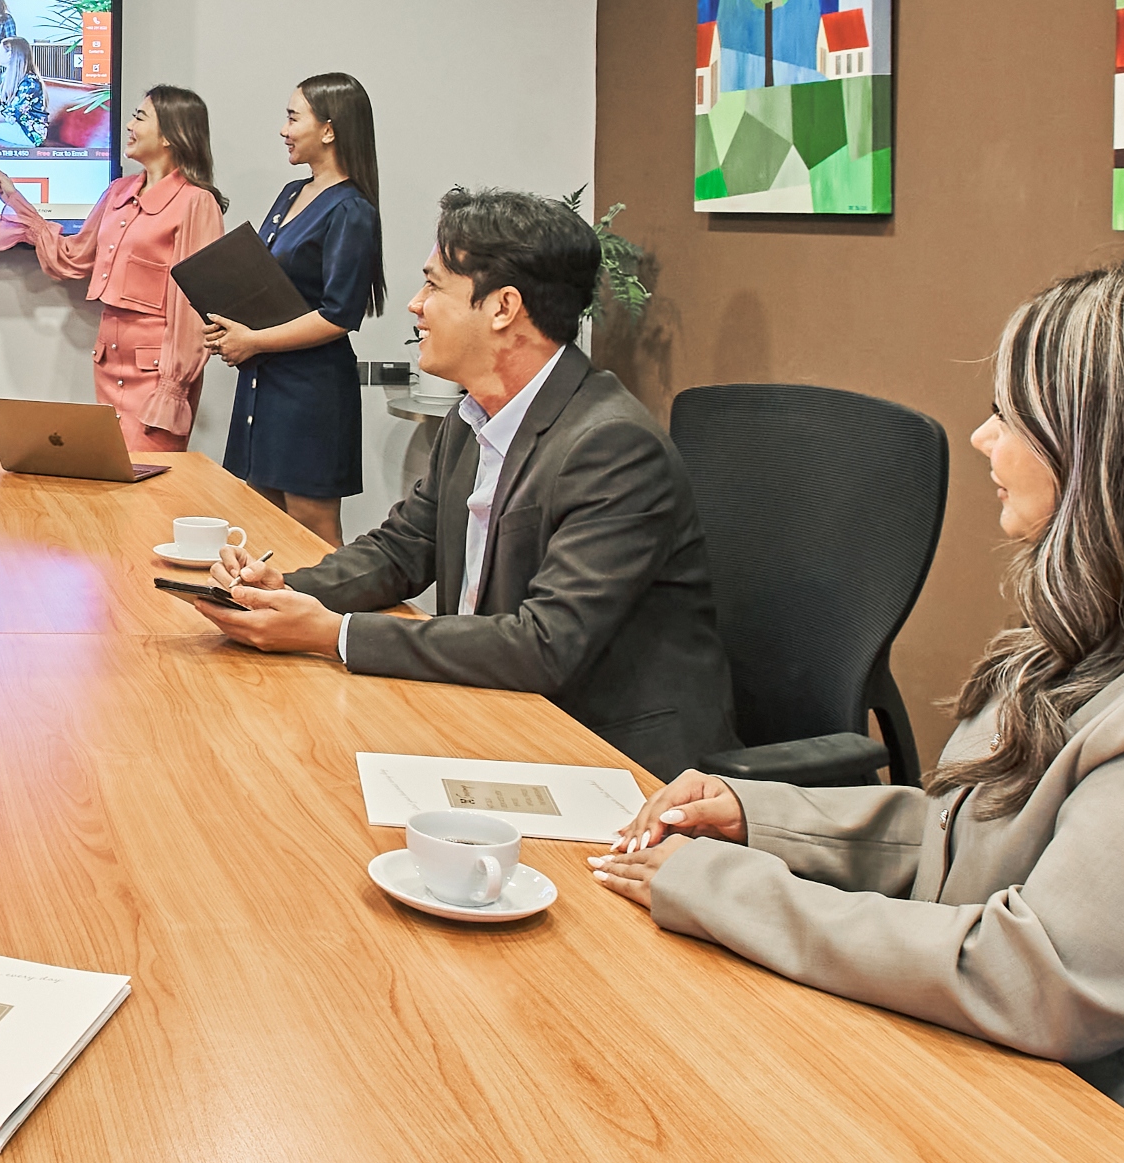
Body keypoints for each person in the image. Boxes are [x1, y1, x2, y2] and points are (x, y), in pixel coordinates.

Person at [591, 259, 1124, 1163]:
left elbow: (1031, 973)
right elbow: (977, 840)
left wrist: (726, 890)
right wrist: (763, 819)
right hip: (1059, 1122)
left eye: (1013, 415)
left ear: (1123, 450)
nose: (982, 437)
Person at [189, 186, 733, 783]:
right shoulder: (475, 416)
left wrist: (333, 634)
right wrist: (283, 589)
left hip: (608, 758)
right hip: (492, 712)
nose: (415, 306)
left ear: (502, 308)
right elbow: (401, 551)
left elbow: (544, 645)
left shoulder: (610, 446)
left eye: (433, 286)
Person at [0, 86, 227, 454]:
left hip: (158, 376)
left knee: (152, 490)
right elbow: (74, 257)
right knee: (112, 482)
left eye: (140, 117)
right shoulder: (119, 191)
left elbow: (192, 307)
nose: (128, 125)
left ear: (170, 135)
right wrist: (15, 199)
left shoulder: (196, 202)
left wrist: (173, 387)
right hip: (109, 362)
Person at [208, 73, 386, 546]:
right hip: (264, 380)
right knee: (259, 517)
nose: (283, 130)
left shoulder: (352, 210)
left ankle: (331, 619)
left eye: (292, 117)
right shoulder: (291, 192)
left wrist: (253, 340)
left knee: (311, 525)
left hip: (312, 390)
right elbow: (269, 286)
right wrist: (232, 327)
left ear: (328, 129)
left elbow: (339, 313)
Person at [0, 35, 50, 146]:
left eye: (0, 51)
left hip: (29, 134)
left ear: (10, 55)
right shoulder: (7, 76)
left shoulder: (30, 83)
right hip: (16, 127)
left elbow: (11, 115)